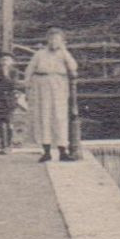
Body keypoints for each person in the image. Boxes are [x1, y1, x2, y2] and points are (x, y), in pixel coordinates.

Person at [26, 27, 79, 163]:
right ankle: (46, 151)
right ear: (47, 40)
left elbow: (73, 67)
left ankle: (62, 150)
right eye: (51, 39)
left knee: (60, 116)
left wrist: (64, 51)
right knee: (44, 116)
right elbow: (29, 70)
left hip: (59, 85)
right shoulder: (40, 54)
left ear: (61, 41)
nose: (53, 42)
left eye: (57, 39)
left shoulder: (64, 54)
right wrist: (28, 88)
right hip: (42, 86)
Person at [0, 53, 23, 154]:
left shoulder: (14, 72)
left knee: (9, 122)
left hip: (10, 99)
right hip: (0, 99)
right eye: (3, 60)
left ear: (12, 62)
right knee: (1, 122)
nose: (5, 62)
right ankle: (3, 145)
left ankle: (9, 145)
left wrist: (6, 75)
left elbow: (14, 84)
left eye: (7, 59)